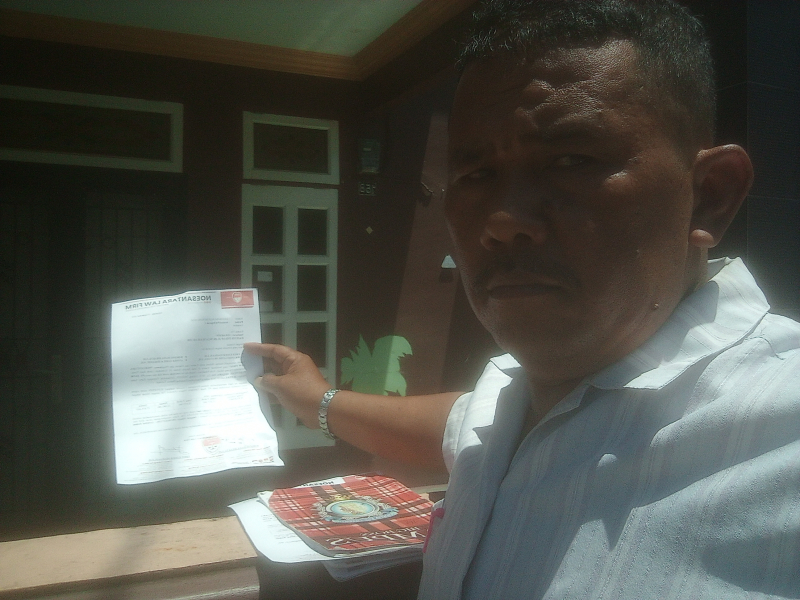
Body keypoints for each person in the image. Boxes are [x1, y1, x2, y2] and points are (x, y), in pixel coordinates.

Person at [244, 1, 800, 597]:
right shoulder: (512, 399)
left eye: (571, 161)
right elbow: (456, 424)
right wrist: (315, 397)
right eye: (476, 174)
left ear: (709, 195)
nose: (503, 220)